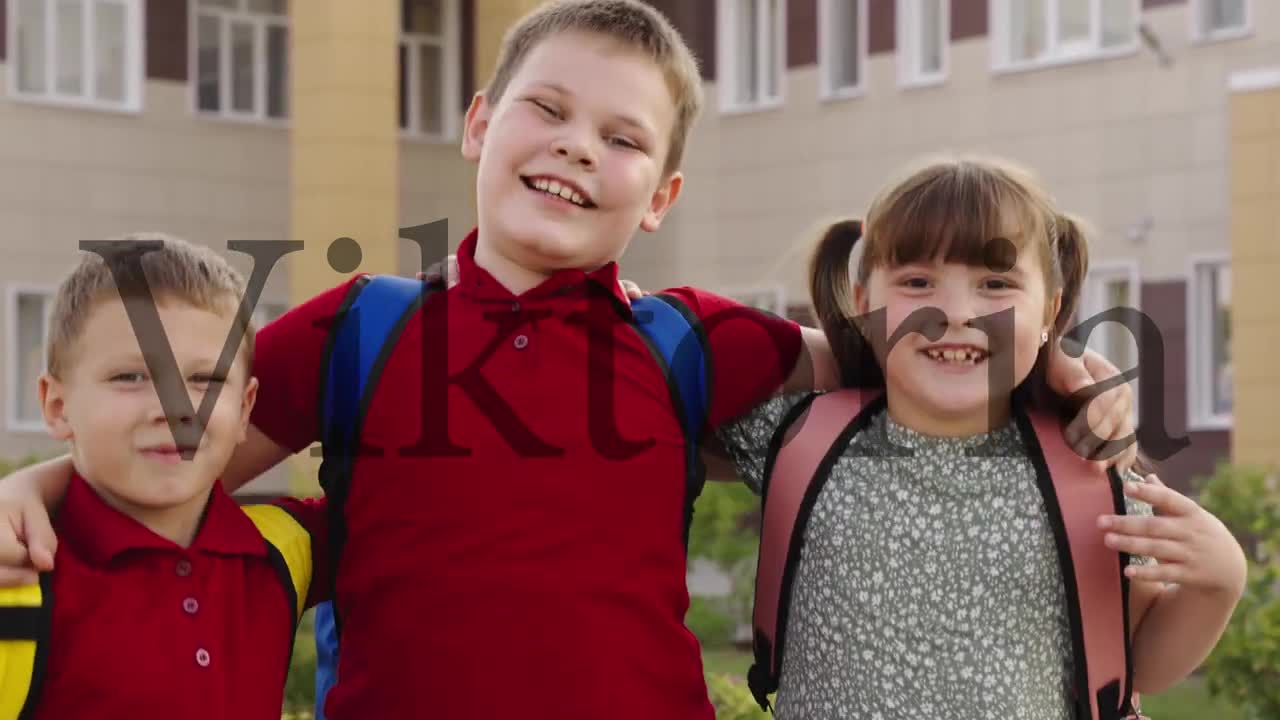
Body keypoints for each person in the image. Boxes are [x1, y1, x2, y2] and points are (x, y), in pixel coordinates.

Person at [0, 4, 1138, 719]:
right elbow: (171, 464)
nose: (575, 148)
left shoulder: (684, 339)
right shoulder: (365, 326)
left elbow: (899, 355)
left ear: (660, 197)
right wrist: (33, 482)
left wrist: (1055, 373)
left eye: (623, 139)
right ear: (478, 125)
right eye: (545, 110)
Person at [715, 155, 1246, 718]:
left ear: (1052, 310)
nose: (956, 312)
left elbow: (1138, 665)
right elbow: (655, 374)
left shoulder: (1089, 475)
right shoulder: (797, 437)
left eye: (996, 284)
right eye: (918, 281)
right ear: (865, 301)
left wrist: (1219, 583)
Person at [0, 234, 325, 719]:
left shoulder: (287, 548)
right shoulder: (16, 572)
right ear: (57, 406)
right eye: (131, 377)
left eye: (205, 380)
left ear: (244, 408)